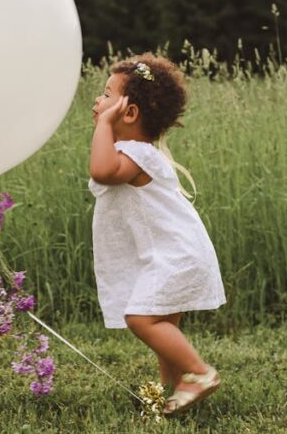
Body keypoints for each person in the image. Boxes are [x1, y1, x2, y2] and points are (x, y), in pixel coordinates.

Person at [88, 53, 226, 415]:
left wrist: (103, 125)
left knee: (142, 318)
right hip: (171, 252)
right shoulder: (137, 152)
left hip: (175, 255)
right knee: (163, 326)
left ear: (128, 114)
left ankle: (199, 373)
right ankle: (171, 391)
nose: (97, 103)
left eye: (106, 96)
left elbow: (102, 171)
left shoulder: (135, 154)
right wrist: (106, 124)